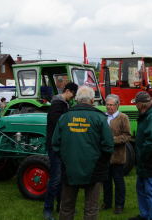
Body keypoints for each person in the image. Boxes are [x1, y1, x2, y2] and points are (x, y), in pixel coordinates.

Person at [52, 86, 114, 220]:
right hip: (94, 170)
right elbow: (109, 146)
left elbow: (55, 144)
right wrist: (102, 161)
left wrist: (65, 159)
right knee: (91, 209)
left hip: (70, 169)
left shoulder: (64, 117)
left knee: (67, 207)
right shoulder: (100, 118)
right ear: (92, 100)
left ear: (76, 100)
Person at [43, 82, 78, 220]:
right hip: (55, 147)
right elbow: (59, 124)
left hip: (63, 147)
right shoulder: (58, 105)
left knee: (63, 178)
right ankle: (47, 209)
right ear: (68, 91)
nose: (73, 97)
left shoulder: (64, 105)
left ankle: (61, 206)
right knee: (56, 179)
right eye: (73, 94)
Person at [129, 91, 152, 220]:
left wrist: (142, 155)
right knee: (141, 188)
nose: (135, 106)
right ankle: (144, 215)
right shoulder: (145, 115)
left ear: (141, 104)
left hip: (151, 160)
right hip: (144, 159)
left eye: (136, 104)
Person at [102, 94, 131, 214]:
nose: (109, 107)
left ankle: (119, 205)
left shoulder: (123, 117)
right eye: (107, 105)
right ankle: (107, 203)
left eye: (111, 105)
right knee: (106, 181)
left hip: (118, 157)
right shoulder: (102, 117)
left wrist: (112, 140)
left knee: (118, 182)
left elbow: (127, 136)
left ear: (117, 105)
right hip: (104, 157)